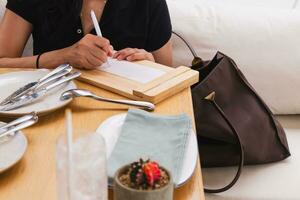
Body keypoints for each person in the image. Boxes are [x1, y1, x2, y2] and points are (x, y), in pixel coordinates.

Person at [0, 0, 172, 69]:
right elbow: (2, 63)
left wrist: (150, 65)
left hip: (124, 120)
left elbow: (170, 78)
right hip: (46, 111)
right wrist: (62, 57)